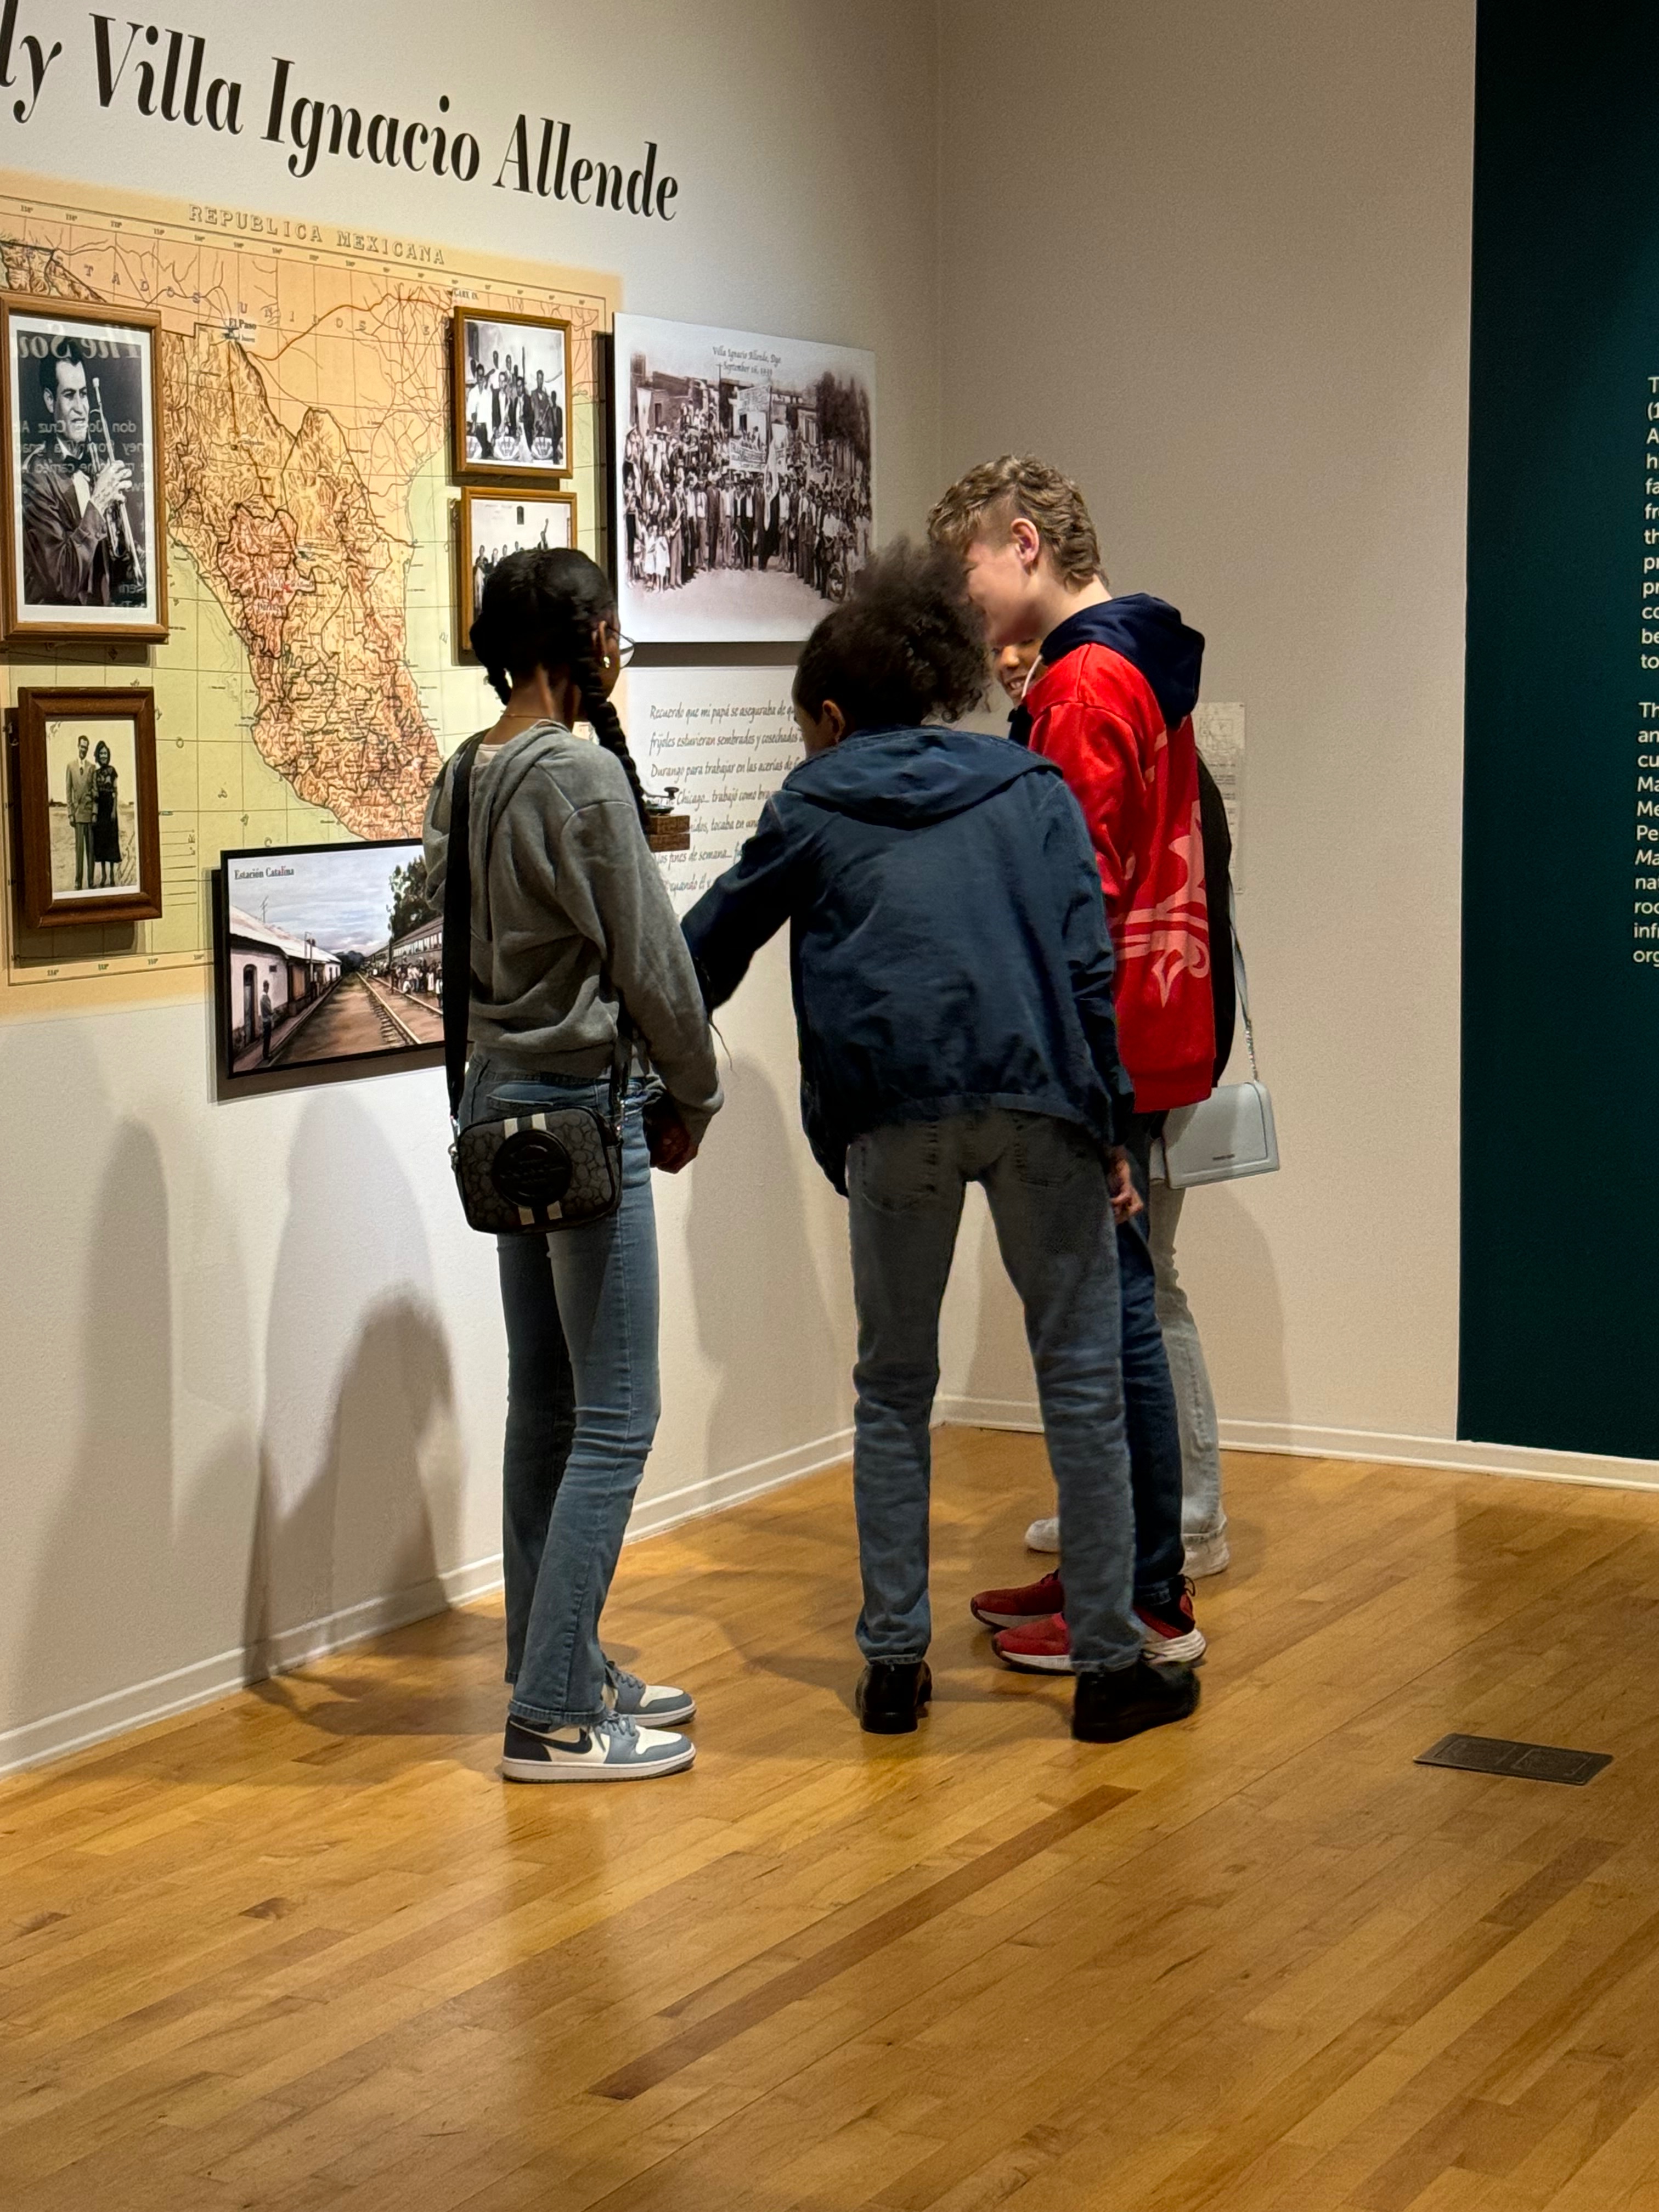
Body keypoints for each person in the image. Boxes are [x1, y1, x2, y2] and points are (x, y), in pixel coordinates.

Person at [681, 541, 1200, 1747]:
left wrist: (653, 1067)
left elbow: (709, 947)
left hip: (893, 1113)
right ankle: (1113, 1666)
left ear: (832, 711)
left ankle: (895, 1669)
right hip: (1039, 1104)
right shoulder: (1025, 788)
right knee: (1079, 1383)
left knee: (891, 1394)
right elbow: (1087, 964)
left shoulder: (815, 800)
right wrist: (1115, 1123)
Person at [424, 546, 721, 1784]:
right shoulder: (584, 776)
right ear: (581, 639)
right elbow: (652, 962)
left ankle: (559, 1659)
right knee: (622, 1415)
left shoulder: (469, 769)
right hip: (583, 1117)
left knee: (542, 1398)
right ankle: (551, 1711)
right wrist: (696, 1088)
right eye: (608, 631)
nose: (616, 650)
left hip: (501, 1112)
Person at [930, 455, 1214, 1675]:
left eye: (969, 569)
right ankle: (1115, 1563)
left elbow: (1071, 891)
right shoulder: (1129, 661)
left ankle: (1142, 1592)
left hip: (1098, 1043)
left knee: (1113, 1315)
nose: (964, 599)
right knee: (1113, 1307)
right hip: (1148, 1024)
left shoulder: (1088, 683)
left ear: (1026, 543)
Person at [990, 642, 1234, 1579]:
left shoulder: (1115, 735)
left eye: (1023, 646)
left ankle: (1185, 1513)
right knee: (1132, 1284)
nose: (1010, 661)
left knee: (1140, 1283)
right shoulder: (1157, 754)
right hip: (1147, 1054)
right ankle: (1134, 1507)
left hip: (1138, 1059)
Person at [21, 344, 140, 608]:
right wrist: (98, 504)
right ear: (50, 400)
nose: (81, 408)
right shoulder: (35, 475)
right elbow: (62, 581)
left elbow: (113, 567)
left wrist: (132, 548)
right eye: (69, 395)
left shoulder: (97, 463)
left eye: (84, 395)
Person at [64, 731, 97, 890]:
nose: (83, 750)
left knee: (91, 852)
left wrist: (95, 813)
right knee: (79, 852)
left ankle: (91, 882)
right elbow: (68, 791)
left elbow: (95, 792)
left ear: (88, 749)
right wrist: (70, 813)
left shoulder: (92, 767)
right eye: (81, 747)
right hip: (77, 815)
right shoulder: (71, 767)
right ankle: (78, 882)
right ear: (78, 747)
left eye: (86, 748)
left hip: (89, 815)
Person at [90, 739, 120, 884]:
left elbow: (116, 792)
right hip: (100, 809)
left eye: (105, 753)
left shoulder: (112, 771)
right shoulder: (95, 774)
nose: (103, 756)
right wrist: (95, 815)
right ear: (97, 755)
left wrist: (114, 810)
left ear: (108, 755)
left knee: (111, 842)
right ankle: (103, 876)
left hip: (110, 809)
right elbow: (95, 795)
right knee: (101, 842)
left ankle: (113, 875)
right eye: (101, 753)